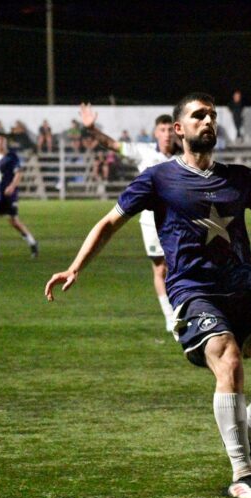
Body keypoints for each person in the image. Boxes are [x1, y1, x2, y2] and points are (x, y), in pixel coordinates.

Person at [46, 92, 251, 498]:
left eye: (213, 116)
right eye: (199, 115)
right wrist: (76, 266)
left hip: (242, 291)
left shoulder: (240, 177)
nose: (208, 121)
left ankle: (245, 434)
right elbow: (110, 222)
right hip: (194, 291)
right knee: (229, 360)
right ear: (180, 129)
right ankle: (241, 473)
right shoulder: (158, 177)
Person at [79, 104, 178, 333]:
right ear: (156, 133)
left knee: (181, 264)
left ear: (175, 131)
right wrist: (92, 129)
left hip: (178, 219)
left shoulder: (183, 155)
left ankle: (186, 308)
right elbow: (112, 144)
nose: (166, 134)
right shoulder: (143, 151)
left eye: (169, 130)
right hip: (152, 221)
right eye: (162, 130)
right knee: (160, 268)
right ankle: (170, 317)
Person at [0, 132, 39, 259]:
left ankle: (32, 243)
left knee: (14, 221)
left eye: (3, 140)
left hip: (9, 195)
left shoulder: (12, 157)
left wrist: (12, 186)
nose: (1, 142)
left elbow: (18, 173)